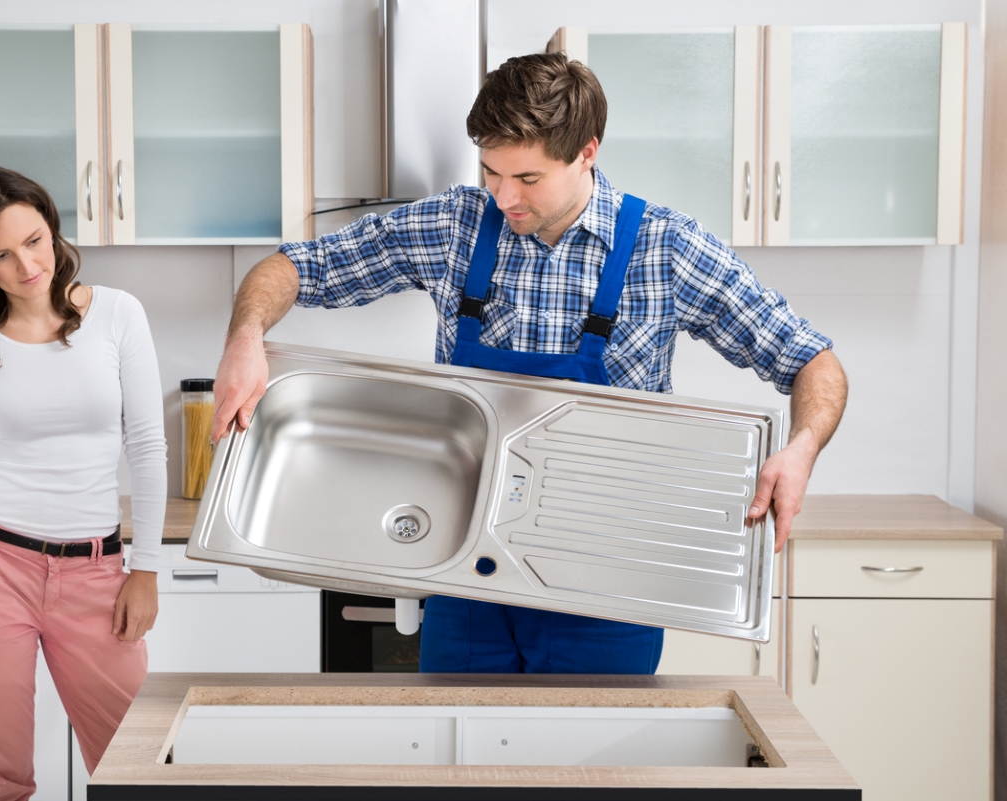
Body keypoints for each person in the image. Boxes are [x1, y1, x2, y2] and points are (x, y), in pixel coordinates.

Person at [211, 53, 848, 674]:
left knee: (591, 778)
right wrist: (245, 335)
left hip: (609, 588)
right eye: (491, 171)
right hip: (468, 580)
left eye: (528, 179)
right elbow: (293, 268)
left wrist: (802, 449)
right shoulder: (455, 225)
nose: (504, 196)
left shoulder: (667, 248)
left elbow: (812, 362)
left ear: (587, 153)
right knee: (460, 769)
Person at [0, 166, 166, 800]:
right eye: (0, 254)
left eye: (35, 240)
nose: (27, 264)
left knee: (137, 765)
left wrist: (147, 569)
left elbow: (147, 446)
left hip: (95, 573)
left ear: (52, 228)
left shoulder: (116, 315)